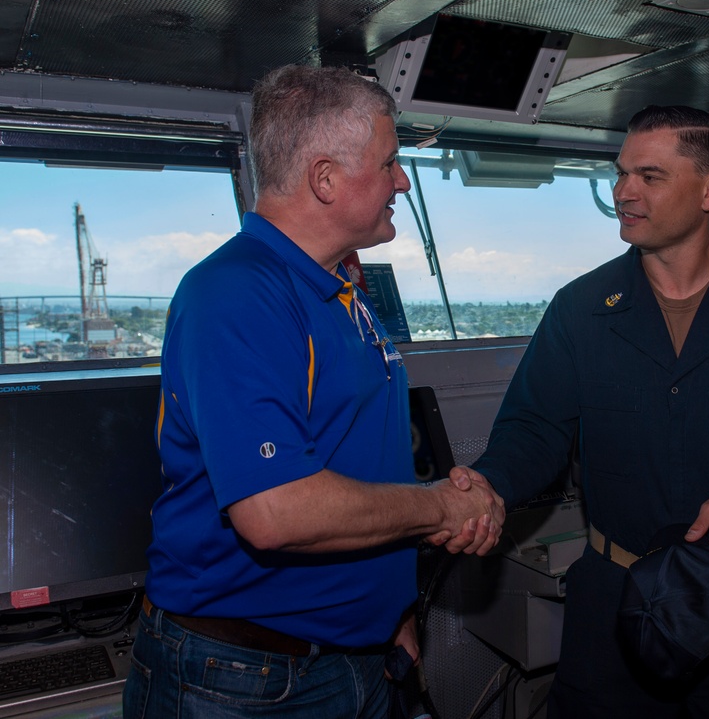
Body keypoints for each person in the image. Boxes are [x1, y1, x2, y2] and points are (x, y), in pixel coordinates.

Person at [461, 105, 709, 718]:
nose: (623, 192)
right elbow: (534, 430)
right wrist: (488, 487)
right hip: (618, 607)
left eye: (649, 177)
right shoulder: (581, 311)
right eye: (622, 173)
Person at [122, 64, 504, 719]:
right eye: (390, 163)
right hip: (244, 680)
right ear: (325, 178)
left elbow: (352, 460)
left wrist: (390, 612)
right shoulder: (237, 294)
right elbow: (276, 512)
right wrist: (438, 508)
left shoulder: (337, 285)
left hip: (354, 657)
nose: (402, 181)